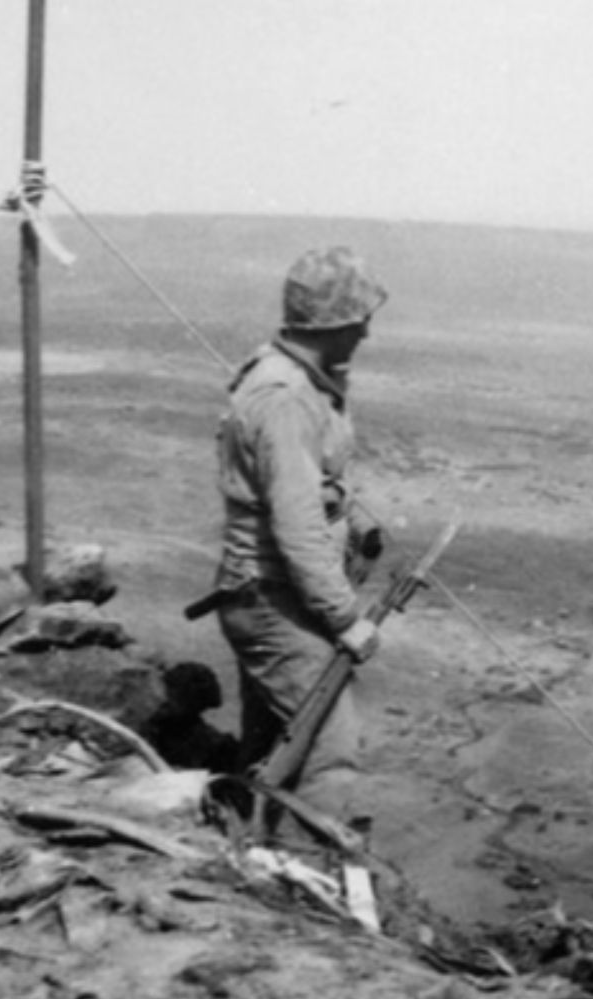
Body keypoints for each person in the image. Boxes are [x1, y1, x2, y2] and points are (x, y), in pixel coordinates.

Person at [210, 246, 388, 831]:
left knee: (272, 746)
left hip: (272, 594)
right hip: (270, 598)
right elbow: (295, 521)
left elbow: (314, 484)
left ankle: (248, 855)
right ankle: (312, 886)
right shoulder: (286, 397)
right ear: (334, 323)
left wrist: (355, 520)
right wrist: (343, 619)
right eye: (358, 317)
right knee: (328, 750)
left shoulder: (305, 385)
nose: (366, 329)